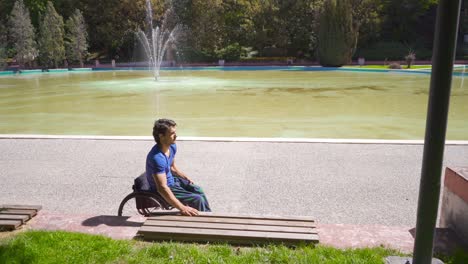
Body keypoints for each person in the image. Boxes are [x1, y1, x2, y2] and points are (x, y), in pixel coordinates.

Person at [146, 118, 211, 216]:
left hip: (173, 181)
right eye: (172, 133)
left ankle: (207, 215)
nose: (176, 136)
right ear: (161, 136)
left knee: (199, 190)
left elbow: (172, 167)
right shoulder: (157, 158)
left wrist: (183, 175)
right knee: (197, 199)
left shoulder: (172, 146)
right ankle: (203, 221)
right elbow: (162, 188)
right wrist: (182, 207)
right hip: (166, 187)